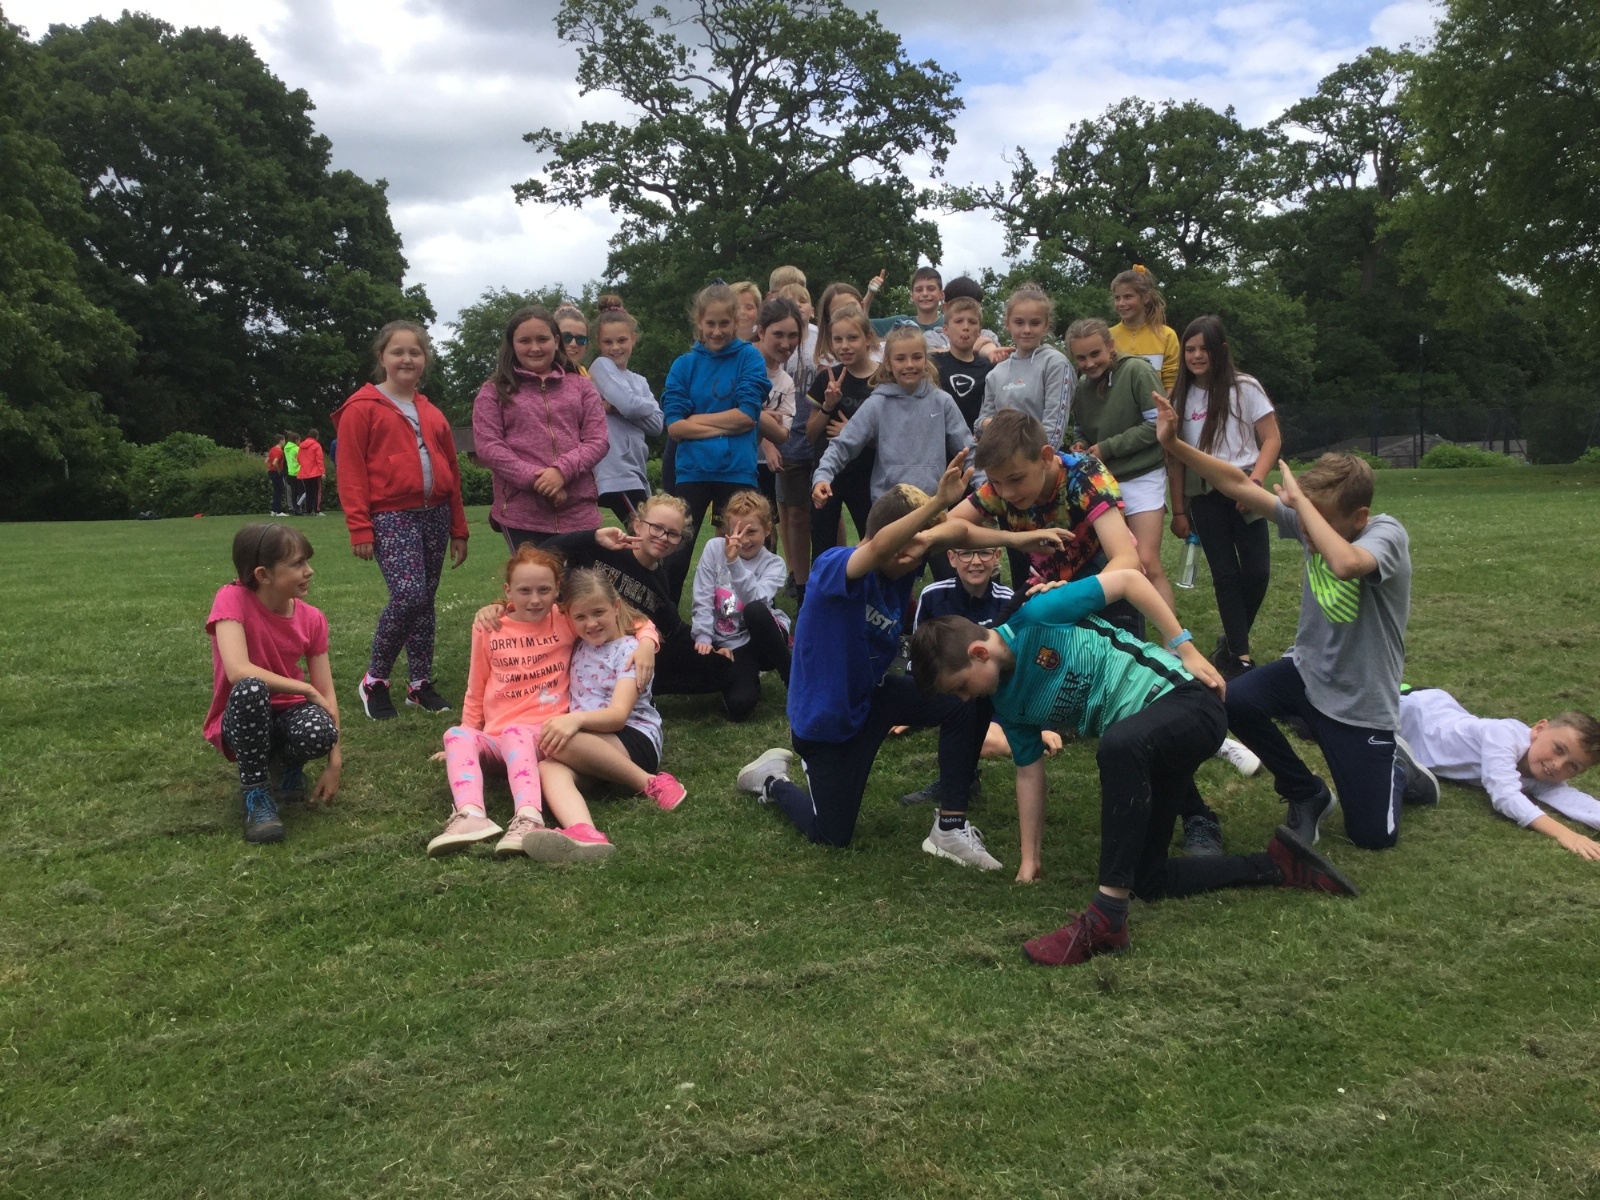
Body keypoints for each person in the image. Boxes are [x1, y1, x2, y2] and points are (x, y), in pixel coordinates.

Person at [909, 572, 1358, 966]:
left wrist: (1184, 646)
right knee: (1148, 878)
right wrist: (1031, 860)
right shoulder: (1006, 703)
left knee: (1117, 745)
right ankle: (1279, 865)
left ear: (979, 653)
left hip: (1188, 702)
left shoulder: (1040, 615)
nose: (965, 699)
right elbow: (1029, 772)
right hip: (1149, 747)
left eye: (961, 687)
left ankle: (1106, 918)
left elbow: (1128, 580)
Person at [734, 453, 1071, 868]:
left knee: (967, 697)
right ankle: (771, 780)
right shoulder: (834, 568)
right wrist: (937, 502)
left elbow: (960, 532)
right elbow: (879, 545)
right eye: (910, 549)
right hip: (827, 724)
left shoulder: (904, 564)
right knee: (831, 834)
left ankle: (950, 827)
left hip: (875, 697)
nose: (917, 558)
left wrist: (1019, 540)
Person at [950, 409, 1260, 811]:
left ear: (1046, 457)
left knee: (1135, 708)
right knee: (985, 663)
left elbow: (1126, 561)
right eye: (996, 483)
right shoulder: (1003, 484)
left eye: (1014, 480)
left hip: (1104, 584)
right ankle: (955, 789)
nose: (1006, 493)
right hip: (1048, 591)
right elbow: (947, 527)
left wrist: (1077, 595)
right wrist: (1010, 538)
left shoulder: (1085, 475)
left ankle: (1198, 809)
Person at [1156, 394, 1416, 851]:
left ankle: (1396, 768)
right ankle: (1305, 791)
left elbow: (1346, 565)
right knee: (1233, 700)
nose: (1308, 533)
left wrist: (1303, 508)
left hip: (1360, 703)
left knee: (1372, 837)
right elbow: (1237, 483)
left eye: (1318, 522)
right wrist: (1174, 444)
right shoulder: (1315, 521)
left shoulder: (1386, 534)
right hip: (1307, 673)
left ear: (1359, 517)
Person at [428, 545, 624, 861]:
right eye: (524, 591)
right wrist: (467, 734)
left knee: (516, 732)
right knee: (455, 735)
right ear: (508, 591)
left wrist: (647, 642)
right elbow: (476, 687)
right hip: (497, 741)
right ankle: (471, 815)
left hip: (543, 736)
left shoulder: (565, 619)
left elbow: (628, 621)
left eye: (544, 590)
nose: (534, 599)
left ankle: (529, 818)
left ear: (558, 590)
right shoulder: (489, 627)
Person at [333, 320, 469, 720]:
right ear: (382, 358)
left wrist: (459, 529)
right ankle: (374, 680)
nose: (406, 359)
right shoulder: (361, 408)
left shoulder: (432, 411)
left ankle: (419, 685)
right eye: (397, 351)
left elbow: (452, 472)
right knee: (409, 595)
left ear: (425, 358)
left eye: (415, 351)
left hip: (435, 515)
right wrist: (359, 526)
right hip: (392, 516)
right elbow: (351, 471)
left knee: (425, 602)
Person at [203, 522, 341, 843]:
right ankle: (256, 794)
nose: (309, 571)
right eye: (297, 563)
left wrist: (335, 762)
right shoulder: (231, 598)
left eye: (307, 561)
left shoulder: (312, 618)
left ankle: (286, 767)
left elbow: (327, 694)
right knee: (252, 688)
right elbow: (238, 670)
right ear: (263, 575)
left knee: (320, 729)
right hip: (243, 716)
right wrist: (305, 688)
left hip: (287, 716)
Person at [898, 546, 1063, 806]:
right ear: (951, 558)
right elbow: (920, 661)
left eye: (984, 553)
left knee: (989, 742)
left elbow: (1025, 666)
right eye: (966, 554)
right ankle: (958, 782)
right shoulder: (932, 595)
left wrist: (1042, 725)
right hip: (955, 693)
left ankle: (1028, 737)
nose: (975, 561)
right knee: (967, 715)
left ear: (997, 556)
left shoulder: (1009, 599)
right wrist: (911, 708)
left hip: (996, 695)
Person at [530, 494, 736, 702]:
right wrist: (593, 537)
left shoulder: (659, 582)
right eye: (656, 527)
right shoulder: (603, 550)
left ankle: (622, 685)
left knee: (720, 667)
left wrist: (713, 646)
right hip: (573, 640)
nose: (663, 537)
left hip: (617, 653)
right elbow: (540, 554)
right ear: (638, 525)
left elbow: (674, 628)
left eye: (673, 534)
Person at [1166, 315, 1282, 678]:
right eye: (1190, 349)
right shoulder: (1179, 397)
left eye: (1204, 349)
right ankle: (1240, 659)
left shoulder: (1244, 387)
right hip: (1204, 494)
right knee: (1225, 575)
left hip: (1246, 486)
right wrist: (1179, 511)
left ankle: (1231, 643)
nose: (1197, 356)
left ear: (1222, 350)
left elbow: (1272, 439)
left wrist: (1256, 483)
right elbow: (1175, 458)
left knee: (1258, 571)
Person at [539, 567, 686, 813]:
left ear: (616, 607)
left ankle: (651, 783)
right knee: (547, 767)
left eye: (598, 612)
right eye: (580, 617)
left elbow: (618, 716)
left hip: (634, 738)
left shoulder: (630, 652)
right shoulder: (580, 645)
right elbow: (534, 614)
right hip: (592, 743)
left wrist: (574, 720)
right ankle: (581, 828)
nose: (591, 623)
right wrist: (499, 609)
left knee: (559, 741)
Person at [661, 282, 770, 599]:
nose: (717, 331)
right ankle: (664, 619)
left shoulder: (749, 358)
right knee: (677, 551)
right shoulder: (684, 365)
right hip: (692, 471)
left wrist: (695, 420)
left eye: (724, 323)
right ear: (699, 322)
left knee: (746, 546)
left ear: (736, 321)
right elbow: (674, 427)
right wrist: (725, 424)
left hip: (737, 470)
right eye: (711, 323)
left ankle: (753, 615)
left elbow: (747, 416)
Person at [1398, 690, 1600, 858]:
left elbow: (1576, 802)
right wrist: (1566, 835)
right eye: (1558, 749)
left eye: (1573, 766)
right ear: (1539, 729)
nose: (1557, 765)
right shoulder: (1504, 734)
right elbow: (1505, 795)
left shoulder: (1542, 774)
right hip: (1412, 714)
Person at [473, 305, 609, 550]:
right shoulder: (493, 391)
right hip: (522, 513)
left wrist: (561, 472)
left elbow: (598, 440)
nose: (534, 348)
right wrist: (538, 480)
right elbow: (489, 447)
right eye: (524, 341)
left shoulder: (582, 386)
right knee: (536, 576)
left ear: (556, 341)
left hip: (579, 511)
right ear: (512, 344)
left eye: (542, 339)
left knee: (582, 577)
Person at [1065, 317, 1176, 618]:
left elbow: (1157, 424)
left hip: (1143, 475)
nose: (1090, 363)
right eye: (1081, 358)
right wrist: (1080, 443)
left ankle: (1175, 640)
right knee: (1115, 563)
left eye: (1095, 354)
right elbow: (1081, 428)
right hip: (1103, 483)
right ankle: (1124, 628)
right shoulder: (1082, 387)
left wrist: (1107, 447)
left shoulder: (1138, 371)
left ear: (1110, 346)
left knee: (1147, 561)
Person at [811, 326, 972, 507]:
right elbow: (843, 445)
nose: (909, 364)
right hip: (888, 508)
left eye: (917, 357)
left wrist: (985, 485)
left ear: (926, 360)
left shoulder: (943, 402)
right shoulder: (877, 404)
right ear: (888, 363)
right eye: (900, 358)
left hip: (932, 505)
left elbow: (968, 450)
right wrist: (822, 476)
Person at [691, 490, 792, 721]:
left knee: (754, 610)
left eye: (751, 531)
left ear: (767, 529)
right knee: (740, 706)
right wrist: (703, 636)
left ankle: (792, 679)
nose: (744, 540)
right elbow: (702, 595)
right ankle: (748, 674)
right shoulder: (714, 548)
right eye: (737, 532)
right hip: (729, 639)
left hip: (763, 638)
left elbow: (756, 599)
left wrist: (734, 562)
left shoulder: (774, 564)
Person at [805, 303, 881, 569]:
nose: (845, 346)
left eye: (852, 338)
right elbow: (811, 434)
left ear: (868, 339)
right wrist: (828, 406)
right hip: (828, 475)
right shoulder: (827, 378)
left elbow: (895, 436)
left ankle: (874, 592)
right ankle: (821, 592)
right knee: (822, 546)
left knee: (874, 542)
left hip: (868, 476)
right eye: (838, 339)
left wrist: (854, 434)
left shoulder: (884, 379)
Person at [589, 295, 663, 524]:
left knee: (646, 534)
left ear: (633, 339)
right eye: (607, 342)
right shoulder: (601, 367)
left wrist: (617, 407)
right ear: (599, 343)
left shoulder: (639, 381)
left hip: (636, 470)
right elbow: (630, 406)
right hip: (616, 472)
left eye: (621, 340)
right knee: (645, 532)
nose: (615, 348)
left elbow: (657, 425)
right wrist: (644, 405)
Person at [974, 283, 1072, 452]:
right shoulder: (996, 372)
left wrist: (1038, 460)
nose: (1026, 330)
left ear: (1046, 325)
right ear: (1008, 324)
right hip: (1002, 459)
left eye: (1035, 323)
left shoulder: (1055, 364)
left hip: (1040, 460)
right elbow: (980, 425)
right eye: (1019, 322)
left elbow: (1055, 427)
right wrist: (994, 424)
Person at [774, 283, 819, 595]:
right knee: (795, 514)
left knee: (828, 513)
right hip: (788, 440)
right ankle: (800, 581)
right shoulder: (777, 342)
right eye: (789, 301)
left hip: (820, 437)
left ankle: (831, 571)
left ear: (812, 308)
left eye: (803, 300)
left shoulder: (821, 338)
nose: (797, 305)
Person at [752, 297, 801, 546]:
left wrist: (752, 413)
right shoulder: (740, 362)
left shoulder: (785, 382)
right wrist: (762, 414)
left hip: (756, 465)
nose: (786, 343)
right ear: (761, 331)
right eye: (778, 334)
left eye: (793, 336)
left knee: (766, 537)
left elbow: (782, 434)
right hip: (721, 463)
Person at [1110, 265, 1180, 395]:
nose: (1121, 303)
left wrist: (1164, 404)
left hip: (1155, 406)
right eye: (1117, 298)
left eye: (1128, 297)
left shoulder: (1167, 335)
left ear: (1146, 297)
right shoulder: (1107, 336)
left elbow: (1171, 381)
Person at [932, 297, 995, 431]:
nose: (965, 327)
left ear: (979, 331)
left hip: (974, 438)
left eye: (972, 322)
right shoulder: (933, 364)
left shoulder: (988, 369)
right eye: (958, 321)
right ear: (945, 329)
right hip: (940, 437)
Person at [864, 265, 944, 337]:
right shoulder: (900, 324)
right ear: (912, 296)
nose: (925, 294)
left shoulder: (949, 324)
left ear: (941, 294)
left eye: (931, 289)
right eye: (919, 290)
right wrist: (870, 292)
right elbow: (859, 324)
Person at [553, 302, 592, 374]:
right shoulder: (540, 374)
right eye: (566, 337)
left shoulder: (583, 373)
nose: (573, 344)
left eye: (580, 339)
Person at [297, 427, 326, 516]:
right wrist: (322, 472)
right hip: (315, 472)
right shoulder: (316, 446)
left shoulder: (301, 446)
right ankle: (317, 510)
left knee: (308, 492)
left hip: (304, 472)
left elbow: (298, 459)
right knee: (317, 492)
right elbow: (319, 460)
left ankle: (308, 510)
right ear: (316, 436)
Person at [266, 437, 288, 515]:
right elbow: (275, 462)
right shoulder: (279, 451)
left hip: (271, 471)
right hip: (276, 472)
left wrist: (269, 468)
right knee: (279, 491)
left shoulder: (272, 449)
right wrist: (279, 471)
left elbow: (266, 461)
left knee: (275, 491)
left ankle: (274, 510)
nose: (284, 442)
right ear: (280, 441)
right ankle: (278, 511)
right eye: (284, 440)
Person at [283, 432, 303, 514]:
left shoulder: (286, 449)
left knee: (293, 492)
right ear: (296, 440)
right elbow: (301, 460)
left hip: (290, 472)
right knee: (301, 492)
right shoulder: (297, 449)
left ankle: (294, 508)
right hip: (298, 471)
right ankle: (298, 507)